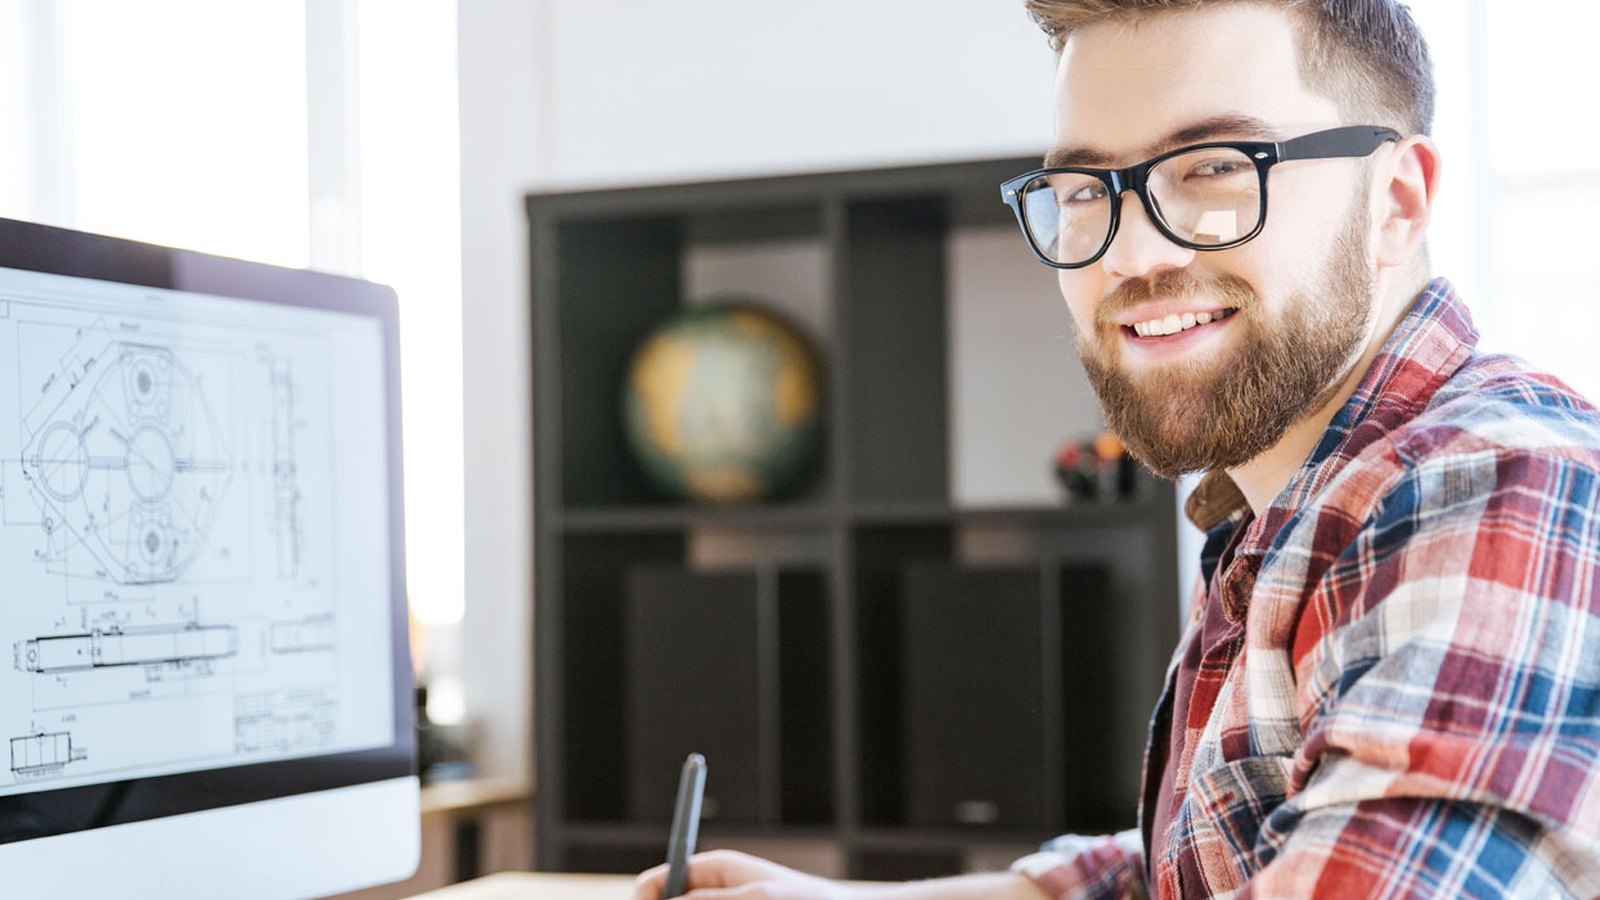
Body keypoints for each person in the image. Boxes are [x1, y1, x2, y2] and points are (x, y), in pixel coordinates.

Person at [635, 1, 1600, 897]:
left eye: (1218, 168)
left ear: (1397, 200)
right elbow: (1212, 854)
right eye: (1085, 190)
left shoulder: (1496, 485)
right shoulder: (1289, 491)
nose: (1130, 256)